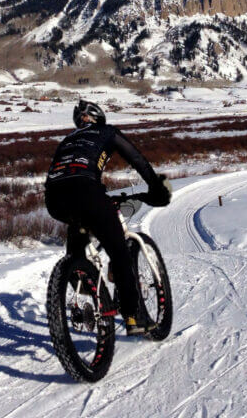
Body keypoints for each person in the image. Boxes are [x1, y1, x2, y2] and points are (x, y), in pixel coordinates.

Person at [45, 100, 171, 335]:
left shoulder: (67, 139)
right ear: (99, 118)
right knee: (119, 250)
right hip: (87, 192)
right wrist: (157, 187)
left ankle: (79, 275)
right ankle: (134, 317)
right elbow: (137, 159)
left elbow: (60, 173)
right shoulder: (108, 132)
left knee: (79, 228)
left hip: (54, 199)